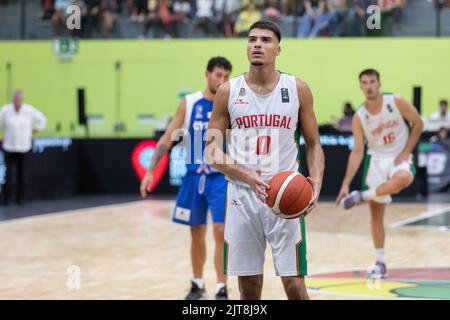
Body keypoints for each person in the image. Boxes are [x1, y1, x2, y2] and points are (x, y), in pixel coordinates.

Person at [205, 20, 324, 300]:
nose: (257, 44)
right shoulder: (228, 91)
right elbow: (211, 150)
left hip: (285, 196)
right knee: (248, 288)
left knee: (295, 286)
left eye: (265, 40)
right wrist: (246, 175)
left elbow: (314, 143)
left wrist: (316, 181)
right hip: (241, 198)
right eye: (252, 39)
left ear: (278, 49)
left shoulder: (297, 88)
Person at [140, 57, 232, 300]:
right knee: (196, 232)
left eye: (226, 76)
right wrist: (150, 171)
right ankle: (197, 283)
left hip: (221, 176)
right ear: (207, 74)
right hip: (193, 176)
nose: (221, 80)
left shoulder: (230, 102)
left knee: (221, 231)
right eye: (218, 75)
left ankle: (222, 286)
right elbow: (169, 137)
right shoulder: (190, 102)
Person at [336, 69, 424, 278]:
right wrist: (345, 184)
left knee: (404, 178)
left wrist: (406, 151)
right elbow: (357, 152)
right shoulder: (359, 117)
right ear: (360, 87)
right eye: (364, 82)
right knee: (376, 214)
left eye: (372, 81)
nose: (369, 86)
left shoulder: (395, 101)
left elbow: (418, 123)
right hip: (375, 160)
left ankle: (362, 196)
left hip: (398, 157)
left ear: (379, 83)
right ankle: (380, 262)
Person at [0, 91, 48, 206]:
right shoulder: (5, 111)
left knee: (22, 174)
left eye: (19, 99)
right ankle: (6, 198)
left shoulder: (29, 111)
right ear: (12, 99)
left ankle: (20, 198)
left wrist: (35, 130)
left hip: (24, 147)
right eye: (15, 99)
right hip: (9, 146)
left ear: (22, 99)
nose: (17, 102)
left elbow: (43, 120)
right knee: (8, 173)